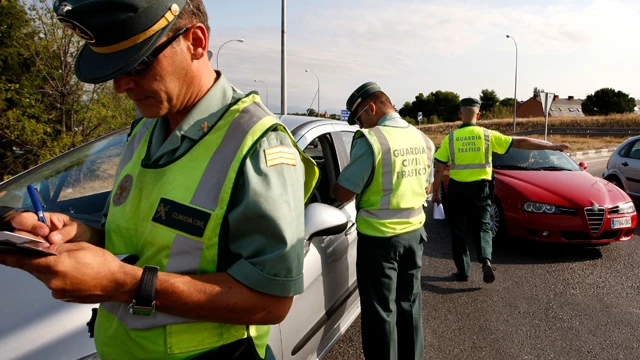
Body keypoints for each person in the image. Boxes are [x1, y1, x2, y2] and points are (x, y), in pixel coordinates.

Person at [0, 0, 319, 359]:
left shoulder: (257, 145)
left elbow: (271, 304)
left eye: (137, 64)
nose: (121, 86)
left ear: (196, 42)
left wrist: (125, 284)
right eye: (114, 69)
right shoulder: (144, 129)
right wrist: (76, 232)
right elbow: (137, 240)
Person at [334, 82, 435, 360]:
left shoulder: (372, 140)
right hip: (414, 236)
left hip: (380, 242)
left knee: (380, 311)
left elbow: (344, 191)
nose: (361, 126)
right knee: (410, 304)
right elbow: (427, 187)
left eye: (360, 118)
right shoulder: (422, 139)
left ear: (372, 108)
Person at [431, 97, 569, 283]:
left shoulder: (451, 138)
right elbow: (520, 142)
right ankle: (486, 261)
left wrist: (435, 194)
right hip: (481, 189)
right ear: (478, 115)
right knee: (483, 225)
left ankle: (463, 272)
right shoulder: (488, 135)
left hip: (458, 190)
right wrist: (551, 147)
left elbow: (439, 167)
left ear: (460, 114)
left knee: (459, 230)